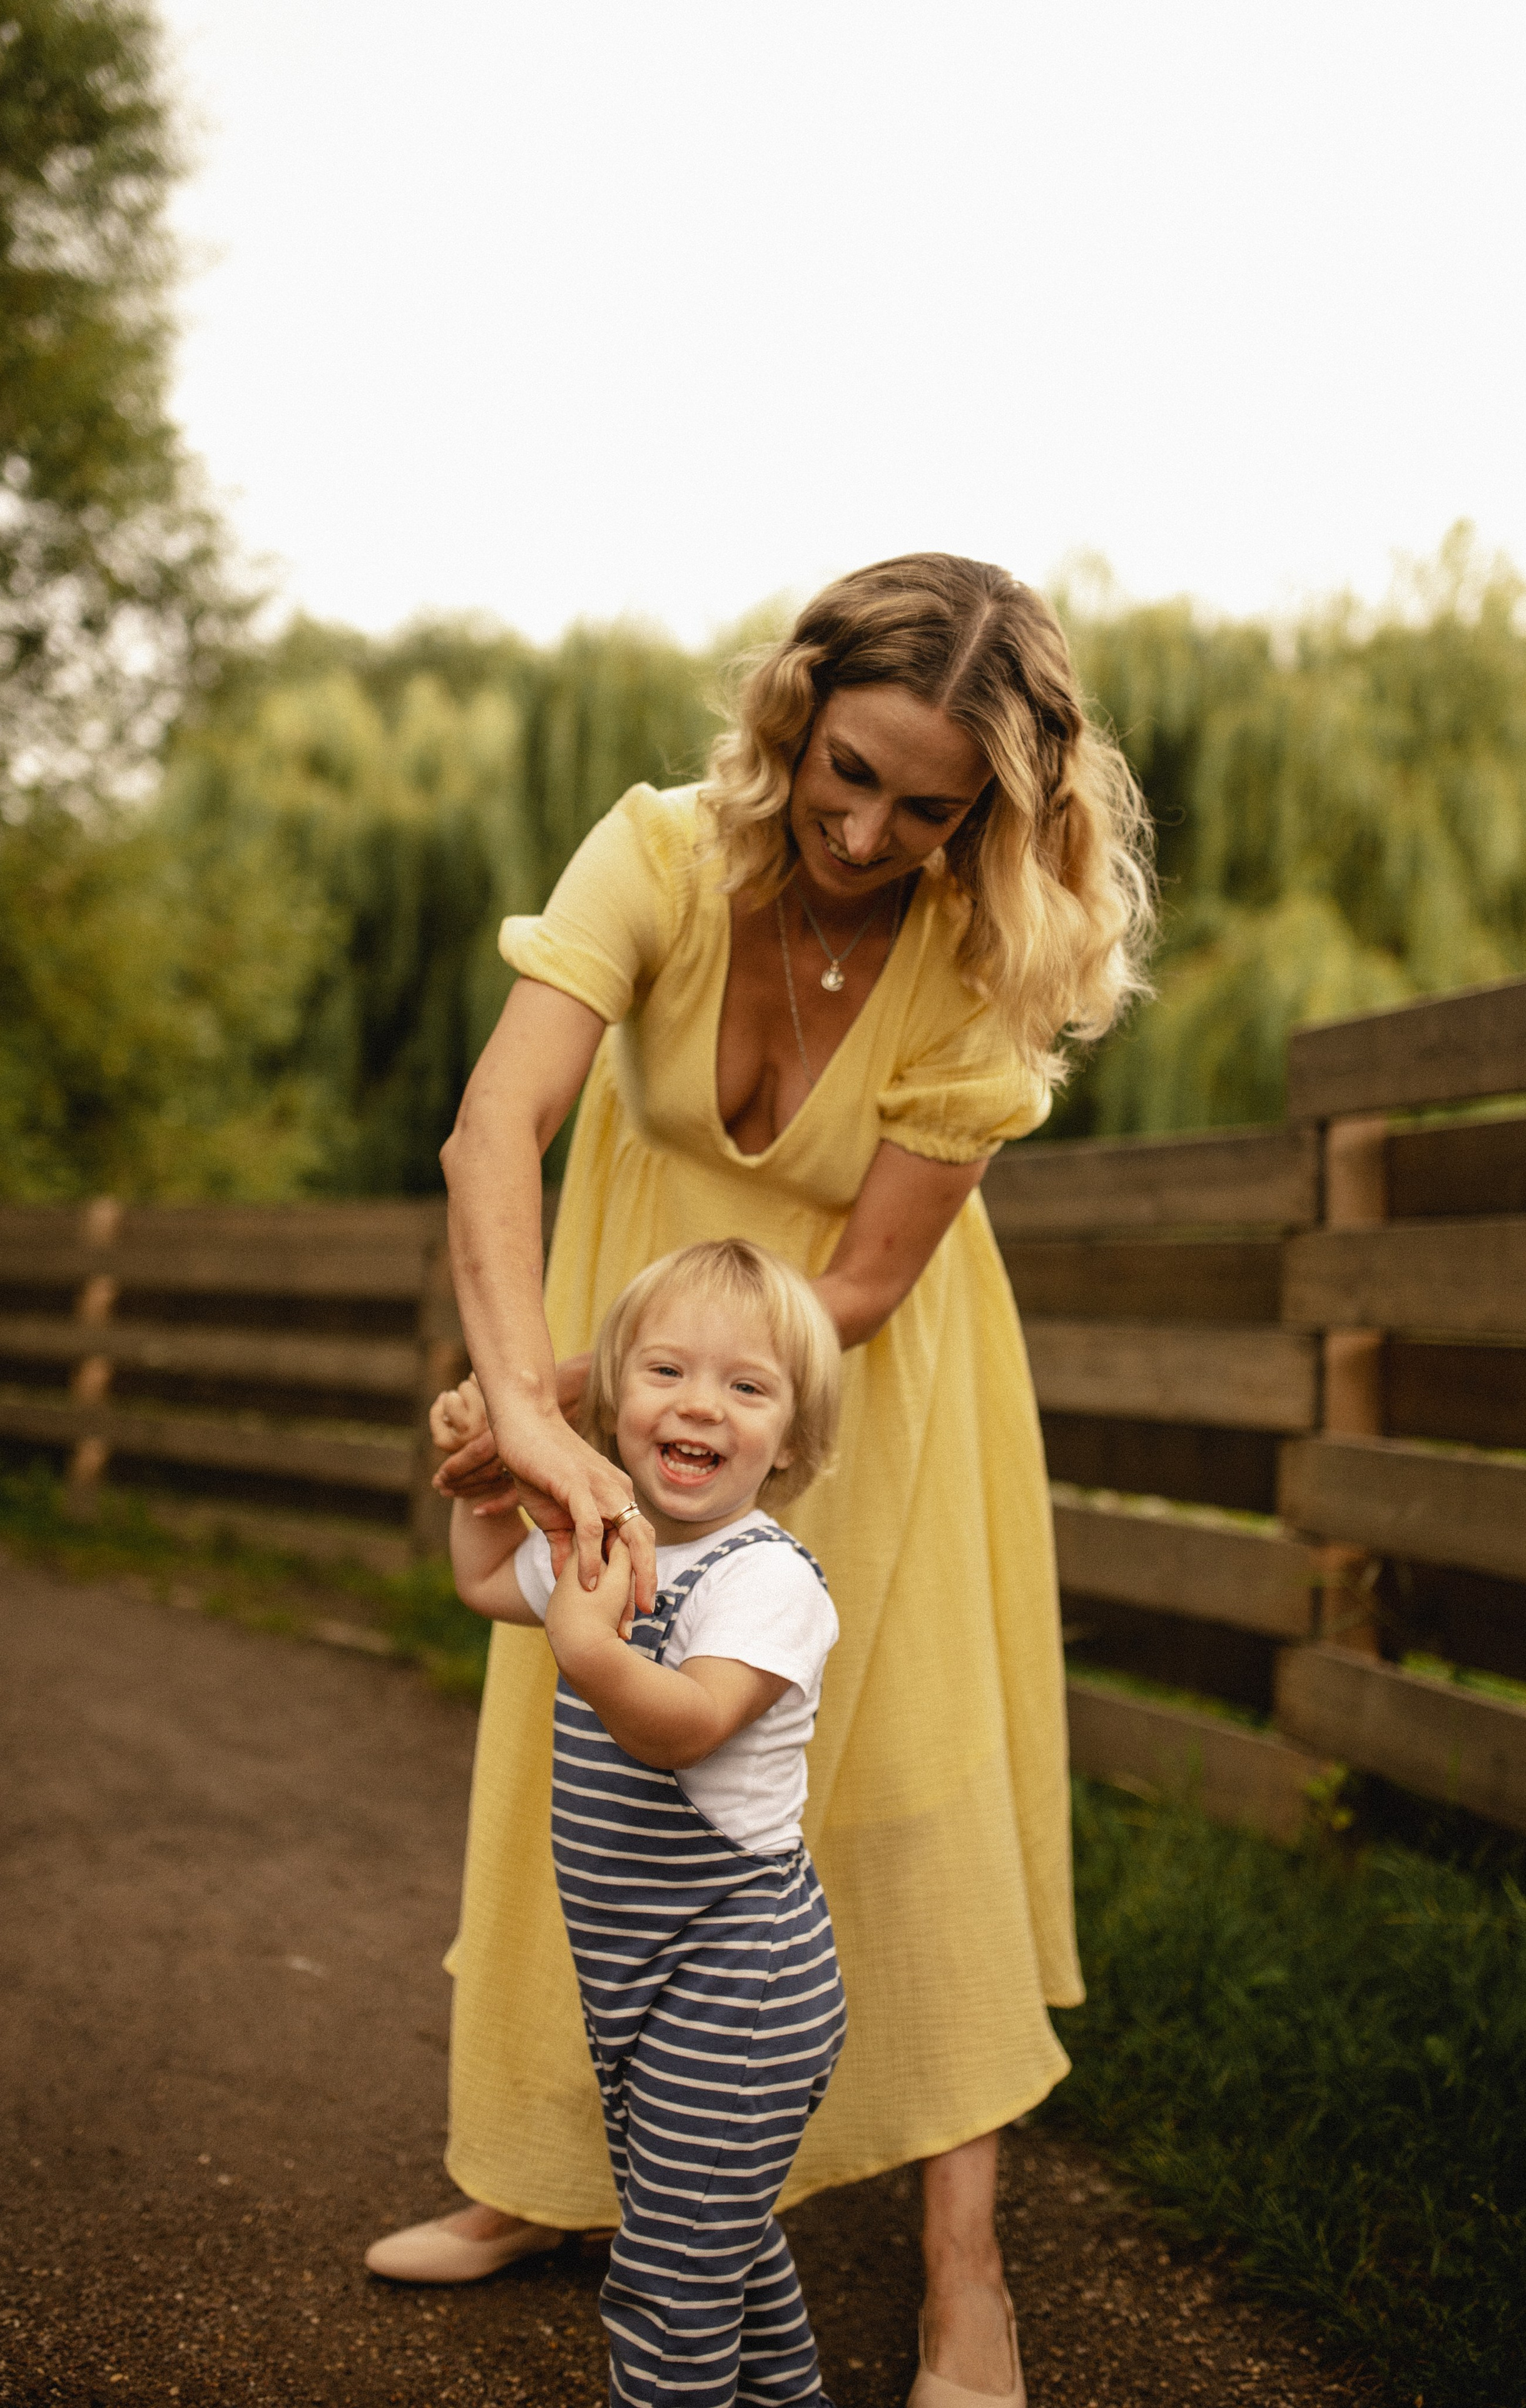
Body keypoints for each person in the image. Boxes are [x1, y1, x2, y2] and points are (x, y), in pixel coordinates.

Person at [367, 553, 1153, 2404]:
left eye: (927, 809)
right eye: (847, 773)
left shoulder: (987, 954)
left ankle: (966, 2273)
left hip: (850, 1381)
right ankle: (546, 2174)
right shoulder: (656, 853)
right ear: (794, 717)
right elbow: (496, 1125)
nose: (867, 833)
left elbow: (861, 1283)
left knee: (906, 1777)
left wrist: (586, 1390)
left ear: (989, 815)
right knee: (589, 1742)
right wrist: (532, 1405)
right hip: (628, 1345)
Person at [434, 1238, 848, 2408]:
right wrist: (488, 1480)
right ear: (612, 1404)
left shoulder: (767, 1581)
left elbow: (687, 1727)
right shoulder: (602, 1545)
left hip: (741, 1984)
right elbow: (483, 1581)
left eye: (747, 1385)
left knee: (667, 2284)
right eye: (667, 1371)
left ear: (792, 1439)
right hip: (648, 1985)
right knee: (717, 2242)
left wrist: (589, 1648)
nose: (700, 1404)